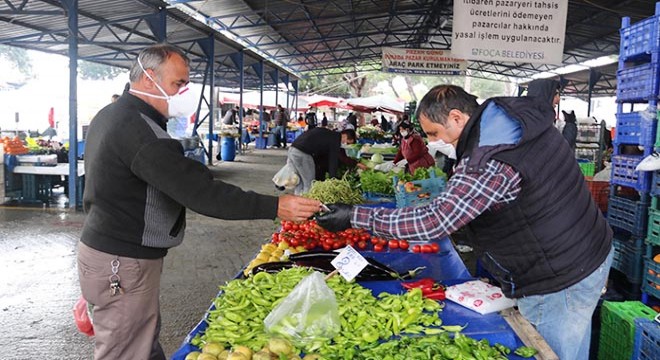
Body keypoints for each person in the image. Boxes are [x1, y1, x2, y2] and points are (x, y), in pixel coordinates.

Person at [317, 84, 613, 360]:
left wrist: (355, 215)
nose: (433, 142)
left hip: (560, 275)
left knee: (551, 351)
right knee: (572, 343)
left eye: (434, 133)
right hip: (584, 249)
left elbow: (434, 221)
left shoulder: (491, 157)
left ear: (456, 117)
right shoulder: (510, 122)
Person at [77, 44, 321, 360]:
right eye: (178, 84)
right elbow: (202, 193)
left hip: (106, 251)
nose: (184, 92)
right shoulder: (140, 132)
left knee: (140, 337)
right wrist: (276, 206)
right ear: (150, 78)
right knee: (125, 349)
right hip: (121, 261)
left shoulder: (112, 115)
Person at [286, 127, 367, 195]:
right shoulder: (335, 139)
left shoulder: (329, 134)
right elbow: (333, 161)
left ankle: (298, 201)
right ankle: (306, 205)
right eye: (346, 142)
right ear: (345, 136)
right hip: (302, 153)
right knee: (309, 182)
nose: (345, 144)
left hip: (293, 150)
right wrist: (333, 180)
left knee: (301, 181)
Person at [527, 79, 577, 149]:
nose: (558, 100)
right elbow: (557, 151)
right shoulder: (534, 124)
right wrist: (570, 127)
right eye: (555, 94)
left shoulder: (538, 120)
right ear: (543, 95)